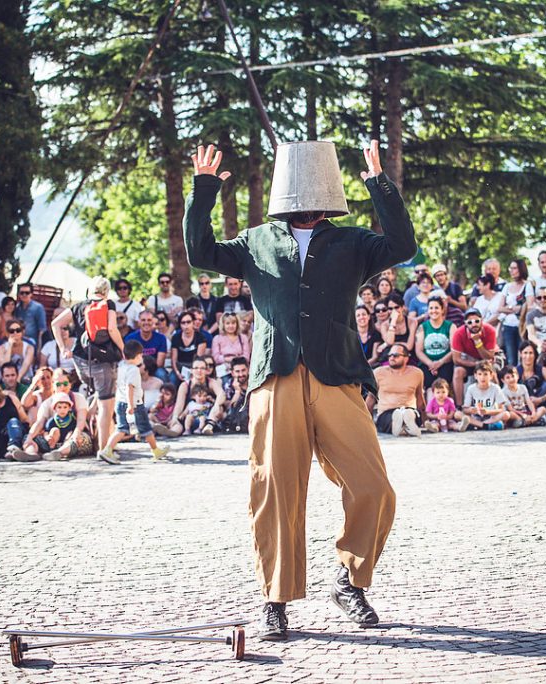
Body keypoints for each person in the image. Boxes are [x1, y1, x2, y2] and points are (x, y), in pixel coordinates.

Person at [186, 139, 414, 637]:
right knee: (275, 491)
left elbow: (403, 246)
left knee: (375, 488)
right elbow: (200, 252)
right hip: (277, 376)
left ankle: (349, 580)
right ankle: (275, 598)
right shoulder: (256, 241)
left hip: (338, 375)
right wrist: (203, 190)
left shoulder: (353, 241)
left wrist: (379, 185)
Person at [51, 275, 125, 454]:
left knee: (98, 398)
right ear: (106, 291)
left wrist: (63, 348)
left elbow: (55, 324)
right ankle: (104, 450)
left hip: (81, 361)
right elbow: (112, 329)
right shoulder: (109, 305)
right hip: (103, 361)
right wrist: (123, 349)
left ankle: (93, 429)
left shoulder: (78, 306)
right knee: (107, 406)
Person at [99, 340, 171, 464]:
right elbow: (130, 387)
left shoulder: (121, 366)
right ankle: (155, 450)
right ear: (138, 356)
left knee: (121, 428)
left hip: (120, 402)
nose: (141, 358)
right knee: (145, 428)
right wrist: (131, 405)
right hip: (135, 404)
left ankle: (108, 449)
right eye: (141, 355)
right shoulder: (133, 370)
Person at [24, 368, 92, 457]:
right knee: (28, 436)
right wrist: (30, 438)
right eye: (58, 384)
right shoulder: (47, 403)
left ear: (70, 384)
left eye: (65, 384)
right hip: (52, 440)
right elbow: (40, 422)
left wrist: (75, 435)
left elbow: (81, 421)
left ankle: (59, 453)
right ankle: (30, 454)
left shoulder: (78, 398)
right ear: (53, 384)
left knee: (81, 439)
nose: (62, 387)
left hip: (73, 437)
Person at [373, 343, 426, 436]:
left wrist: (425, 420)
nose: (392, 358)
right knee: (393, 417)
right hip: (386, 412)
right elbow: (371, 398)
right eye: (390, 355)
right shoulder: (378, 372)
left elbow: (420, 398)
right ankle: (404, 426)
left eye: (396, 355)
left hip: (408, 408)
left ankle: (404, 425)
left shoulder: (417, 373)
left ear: (406, 358)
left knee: (410, 413)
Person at [450, 308, 498, 406]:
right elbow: (456, 359)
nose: (474, 324)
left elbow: (489, 356)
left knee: (492, 373)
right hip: (469, 358)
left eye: (477, 321)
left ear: (481, 320)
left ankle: (497, 403)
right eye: (470, 322)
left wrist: (477, 341)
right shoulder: (459, 333)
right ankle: (460, 406)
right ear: (465, 323)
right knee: (457, 372)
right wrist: (475, 364)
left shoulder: (490, 330)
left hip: (487, 357)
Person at [415, 297, 456, 388]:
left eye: (436, 308)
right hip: (427, 363)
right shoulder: (422, 327)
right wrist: (431, 364)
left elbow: (454, 349)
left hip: (445, 362)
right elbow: (418, 351)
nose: (434, 311)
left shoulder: (451, 326)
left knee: (444, 381)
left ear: (442, 310)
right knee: (428, 382)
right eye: (431, 308)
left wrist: (440, 362)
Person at [498, 258, 533, 366]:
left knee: (522, 356)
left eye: (514, 268)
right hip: (508, 326)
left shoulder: (527, 285)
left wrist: (511, 309)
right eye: (511, 268)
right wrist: (515, 308)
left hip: (521, 326)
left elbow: (529, 306)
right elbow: (500, 308)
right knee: (511, 358)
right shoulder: (507, 286)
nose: (511, 271)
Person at [24, 392, 77, 459]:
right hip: (51, 443)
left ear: (69, 408)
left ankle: (58, 453)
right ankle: (31, 453)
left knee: (73, 442)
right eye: (59, 407)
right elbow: (46, 432)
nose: (62, 410)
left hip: (65, 443)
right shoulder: (52, 421)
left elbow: (72, 431)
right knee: (53, 430)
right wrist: (47, 437)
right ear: (55, 409)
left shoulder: (72, 420)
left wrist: (69, 438)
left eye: (65, 407)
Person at [462, 362, 511, 430]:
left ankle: (480, 425)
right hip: (476, 417)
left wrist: (488, 411)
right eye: (480, 374)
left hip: (490, 417)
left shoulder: (495, 388)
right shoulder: (471, 388)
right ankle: (483, 426)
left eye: (485, 374)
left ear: (491, 376)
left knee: (506, 414)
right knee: (457, 414)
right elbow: (465, 409)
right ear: (475, 376)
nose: (482, 377)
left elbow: (501, 409)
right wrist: (471, 410)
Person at [517, 340, 546, 412]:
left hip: (540, 402)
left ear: (535, 355)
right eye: (525, 353)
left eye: (531, 353)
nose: (528, 356)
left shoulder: (542, 369)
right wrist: (527, 401)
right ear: (520, 354)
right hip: (522, 404)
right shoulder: (515, 371)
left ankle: (536, 415)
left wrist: (540, 399)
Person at [171, 310, 208, 380]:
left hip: (194, 368)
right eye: (183, 323)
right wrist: (177, 373)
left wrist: (192, 373)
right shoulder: (176, 337)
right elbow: (173, 360)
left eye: (188, 322)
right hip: (179, 367)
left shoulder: (201, 337)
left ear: (193, 323)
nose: (186, 325)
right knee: (172, 379)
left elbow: (198, 360)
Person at [218, 356, 251, 433]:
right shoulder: (229, 385)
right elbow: (229, 409)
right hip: (235, 421)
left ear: (248, 370)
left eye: (243, 370)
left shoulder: (253, 383)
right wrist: (237, 392)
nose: (241, 374)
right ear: (232, 373)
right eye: (237, 371)